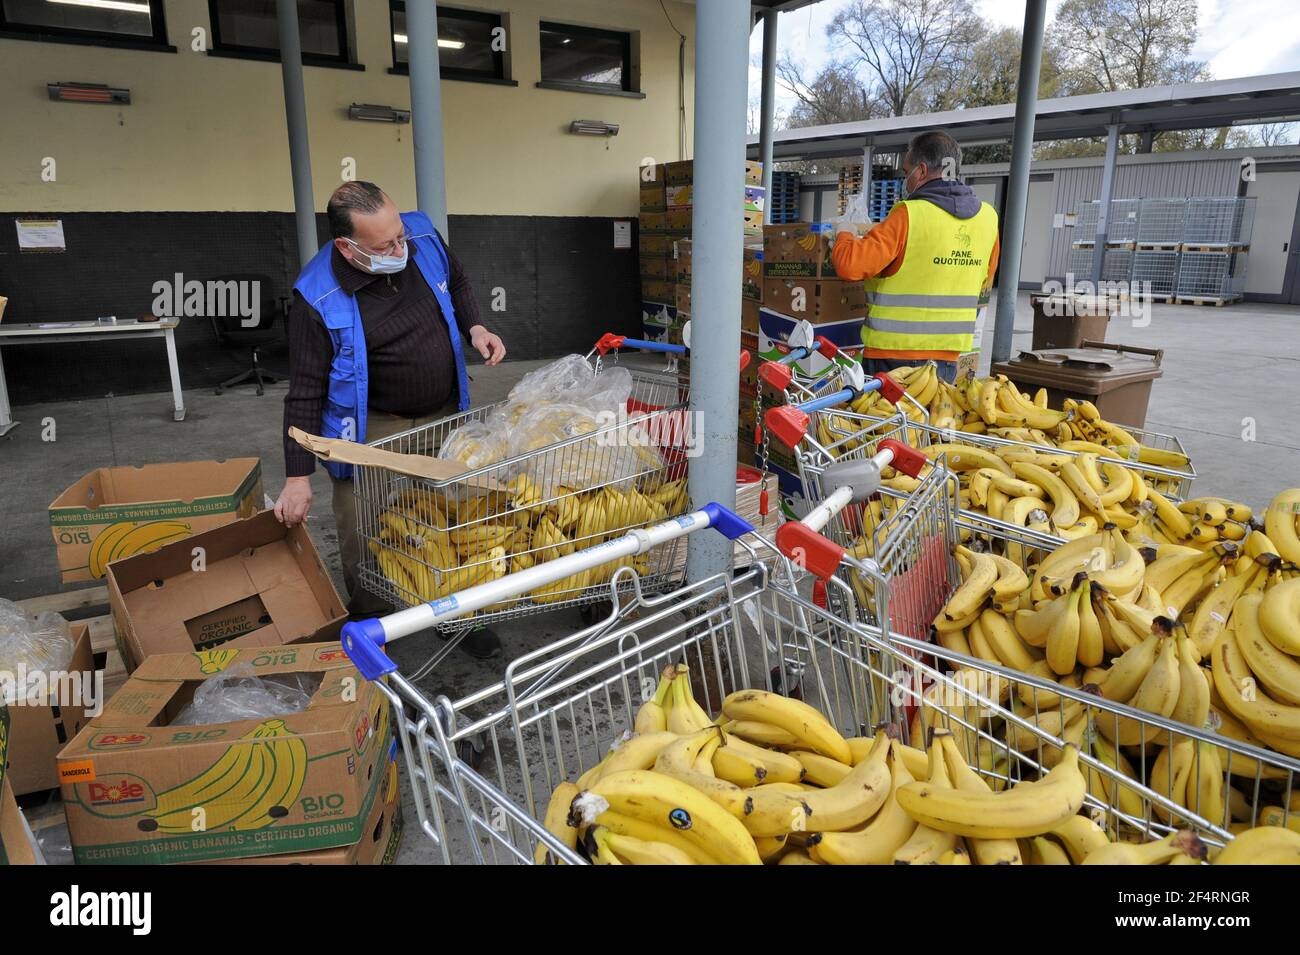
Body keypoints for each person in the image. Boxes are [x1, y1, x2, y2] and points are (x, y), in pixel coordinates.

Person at [274, 181, 507, 659]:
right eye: (386, 245)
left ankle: (455, 613)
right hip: (372, 431)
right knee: (364, 526)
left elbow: (457, 282)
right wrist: (297, 477)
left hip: (444, 414)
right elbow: (304, 391)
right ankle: (374, 623)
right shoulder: (317, 298)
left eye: (400, 234)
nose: (401, 248)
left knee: (450, 520)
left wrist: (476, 325)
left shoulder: (421, 235)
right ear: (347, 245)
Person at [831, 131, 1000, 383]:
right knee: (926, 421)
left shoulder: (908, 215)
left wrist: (844, 233)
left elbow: (849, 266)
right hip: (946, 359)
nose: (905, 180)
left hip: (892, 356)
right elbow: (986, 278)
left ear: (921, 171)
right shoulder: (988, 218)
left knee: (883, 422)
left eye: (906, 171)